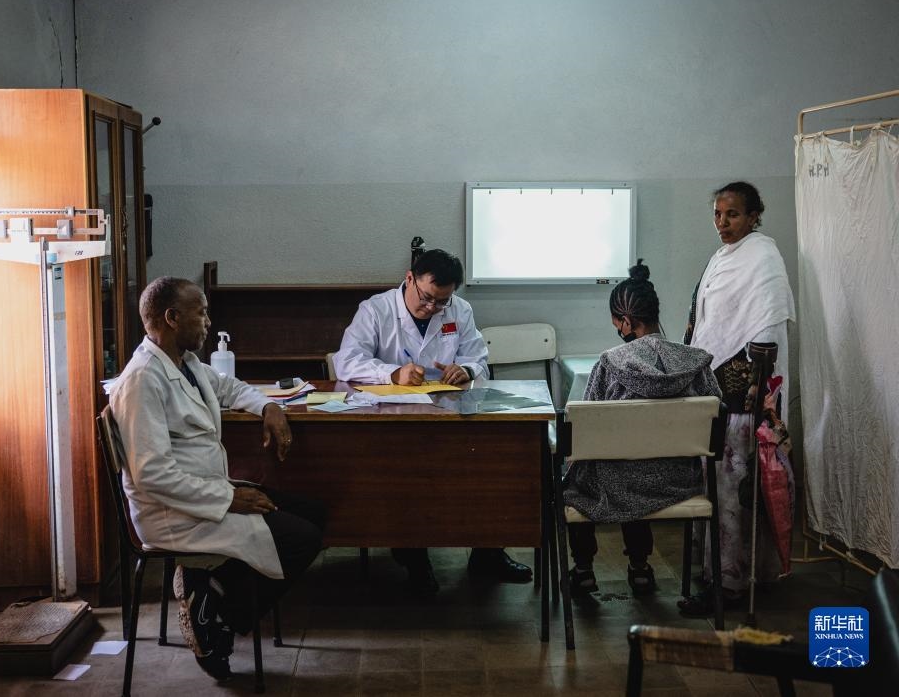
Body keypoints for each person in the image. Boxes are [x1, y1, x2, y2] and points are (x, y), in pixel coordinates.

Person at [109, 276, 326, 682]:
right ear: (172, 318)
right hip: (173, 513)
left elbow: (230, 387)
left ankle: (207, 590)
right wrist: (229, 500)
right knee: (302, 538)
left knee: (315, 513)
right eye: (202, 313)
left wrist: (268, 408)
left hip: (206, 492)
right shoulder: (142, 381)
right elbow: (152, 475)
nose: (208, 322)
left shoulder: (185, 363)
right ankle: (215, 618)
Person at [333, 249, 532, 596]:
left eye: (441, 302)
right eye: (427, 298)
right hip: (392, 421)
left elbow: (477, 356)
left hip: (448, 415)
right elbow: (346, 362)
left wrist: (465, 368)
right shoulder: (376, 310)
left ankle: (487, 551)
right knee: (409, 471)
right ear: (410, 278)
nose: (432, 308)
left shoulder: (459, 310)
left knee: (491, 464)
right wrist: (392, 373)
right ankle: (414, 556)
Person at [563, 260, 723, 596]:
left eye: (615, 322)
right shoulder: (696, 362)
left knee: (580, 479)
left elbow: (585, 433)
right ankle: (639, 567)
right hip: (679, 482)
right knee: (634, 470)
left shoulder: (609, 364)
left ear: (626, 321)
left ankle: (584, 568)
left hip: (620, 485)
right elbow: (716, 415)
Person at [679, 181, 796, 616]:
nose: (723, 222)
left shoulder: (762, 256)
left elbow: (768, 323)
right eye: (717, 214)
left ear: (753, 216)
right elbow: (706, 318)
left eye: (732, 214)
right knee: (717, 483)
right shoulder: (722, 256)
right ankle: (721, 571)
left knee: (735, 487)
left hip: (747, 392)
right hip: (715, 385)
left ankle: (731, 583)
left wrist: (757, 391)